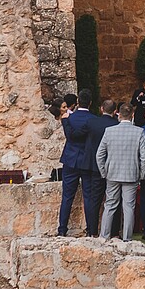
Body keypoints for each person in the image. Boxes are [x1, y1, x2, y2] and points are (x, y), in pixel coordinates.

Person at [95, 104, 145, 239]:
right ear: (132, 116)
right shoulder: (139, 132)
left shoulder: (109, 131)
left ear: (118, 114)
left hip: (112, 173)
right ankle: (127, 238)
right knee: (128, 207)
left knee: (110, 205)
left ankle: (104, 236)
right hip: (131, 174)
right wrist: (141, 174)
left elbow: (99, 155)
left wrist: (104, 172)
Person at [80, 99, 119, 236]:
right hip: (111, 166)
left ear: (102, 108)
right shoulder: (116, 124)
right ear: (115, 111)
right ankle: (114, 231)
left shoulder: (92, 122)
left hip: (94, 165)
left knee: (94, 199)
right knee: (113, 199)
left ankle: (92, 230)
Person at [55, 95, 94, 236]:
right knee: (88, 196)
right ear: (90, 102)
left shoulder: (68, 118)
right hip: (86, 160)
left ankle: (62, 229)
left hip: (70, 159)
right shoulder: (93, 120)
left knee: (67, 196)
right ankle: (90, 229)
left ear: (78, 102)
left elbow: (69, 136)